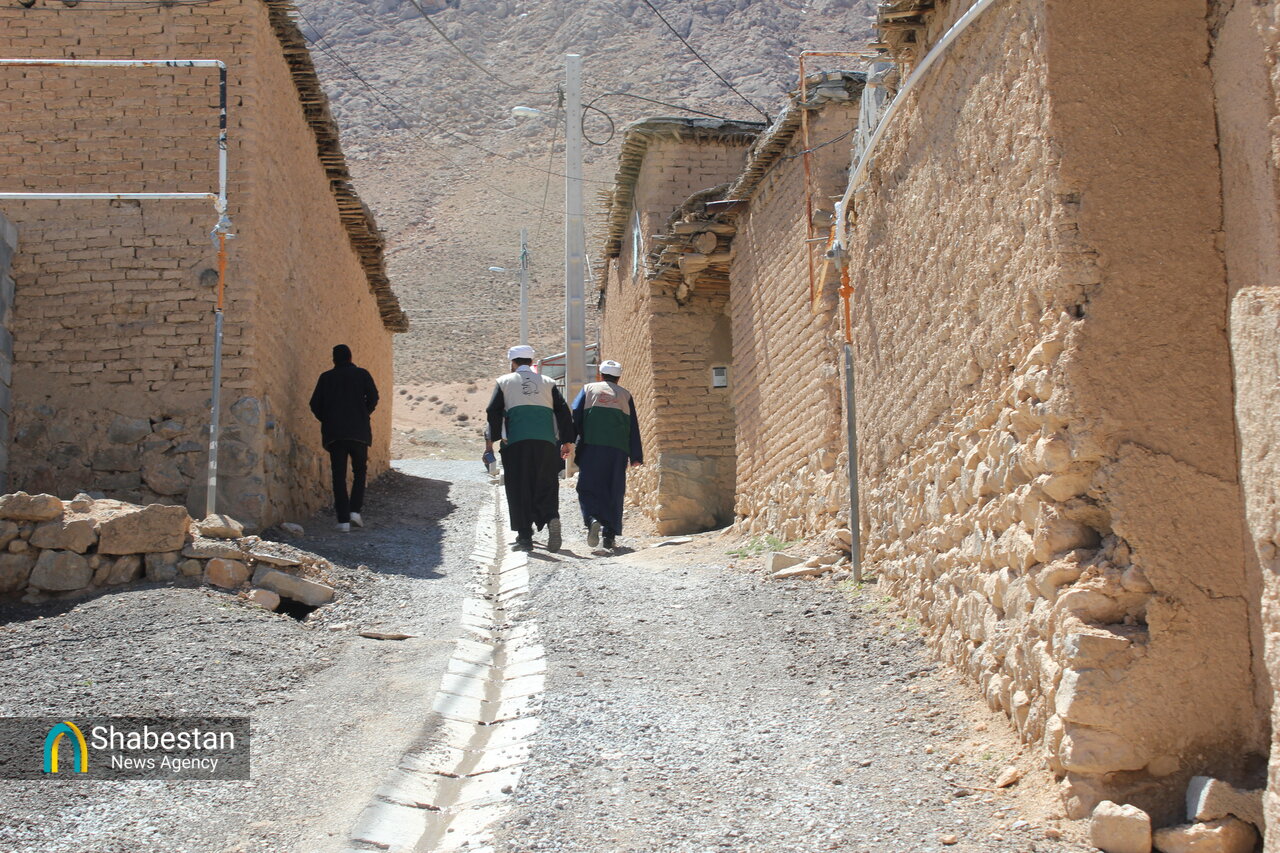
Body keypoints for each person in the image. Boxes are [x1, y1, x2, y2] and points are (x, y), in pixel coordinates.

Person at [485, 345, 574, 552]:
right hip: (545, 443)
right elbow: (563, 411)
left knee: (519, 486)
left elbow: (493, 410)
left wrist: (499, 437)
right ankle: (551, 516)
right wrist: (566, 441)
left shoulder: (504, 382)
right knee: (546, 482)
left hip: (516, 443)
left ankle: (525, 537)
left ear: (512, 363)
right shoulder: (548, 382)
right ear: (531, 362)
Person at [572, 359, 642, 551]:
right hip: (617, 451)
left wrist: (570, 440)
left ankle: (592, 519)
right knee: (613, 490)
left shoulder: (588, 389)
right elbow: (633, 427)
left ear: (600, 375)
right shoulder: (625, 395)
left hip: (591, 447)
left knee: (587, 487)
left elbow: (575, 414)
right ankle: (609, 536)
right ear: (618, 378)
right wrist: (635, 454)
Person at [309, 344, 379, 532]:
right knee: (359, 472)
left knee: (338, 476)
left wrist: (328, 419)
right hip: (359, 433)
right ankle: (355, 512)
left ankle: (343, 521)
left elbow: (315, 404)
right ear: (350, 357)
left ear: (334, 359)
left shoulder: (326, 378)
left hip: (335, 435)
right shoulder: (362, 374)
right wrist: (364, 413)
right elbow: (373, 397)